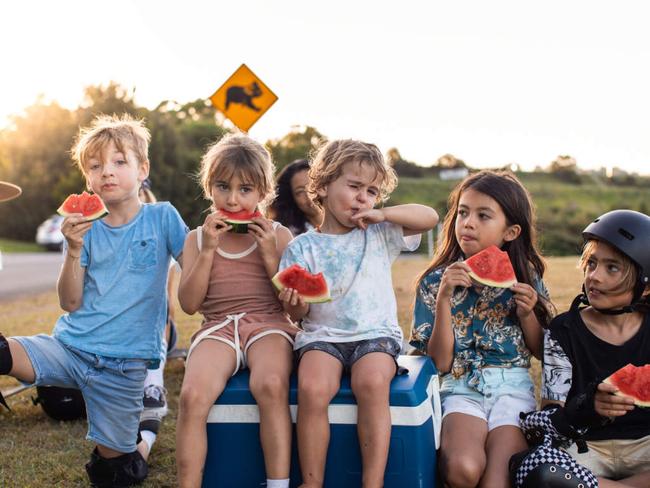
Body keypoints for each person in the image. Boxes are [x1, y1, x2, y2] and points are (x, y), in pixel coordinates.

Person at [0, 114, 188, 487]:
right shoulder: (83, 228)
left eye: (120, 162)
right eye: (96, 165)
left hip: (124, 368)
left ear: (142, 169)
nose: (107, 172)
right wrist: (74, 248)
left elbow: (197, 281)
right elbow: (69, 302)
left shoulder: (162, 217)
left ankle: (145, 432)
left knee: (116, 475)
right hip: (70, 349)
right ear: (87, 177)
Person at [278, 139, 438, 487]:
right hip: (322, 337)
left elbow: (430, 217)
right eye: (354, 187)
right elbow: (298, 313)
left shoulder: (381, 233)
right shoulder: (303, 246)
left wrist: (384, 213)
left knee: (371, 383)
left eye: (372, 191)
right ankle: (311, 480)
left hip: (375, 335)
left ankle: (373, 481)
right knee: (312, 387)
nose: (363, 197)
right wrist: (294, 303)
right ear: (321, 187)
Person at [409, 170, 553, 488]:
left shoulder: (526, 277)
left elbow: (543, 352)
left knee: (498, 481)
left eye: (483, 215)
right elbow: (440, 364)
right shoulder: (434, 282)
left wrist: (528, 314)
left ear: (511, 231)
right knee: (463, 469)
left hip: (512, 391)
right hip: (459, 388)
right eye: (463, 212)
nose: (468, 222)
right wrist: (445, 299)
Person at [176, 134, 299, 488]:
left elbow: (287, 304)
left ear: (263, 193)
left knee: (271, 384)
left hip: (269, 323)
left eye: (245, 189)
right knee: (192, 396)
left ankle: (277, 484)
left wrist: (268, 254)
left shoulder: (279, 235)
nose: (232, 199)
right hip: (217, 326)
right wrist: (208, 250)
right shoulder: (197, 239)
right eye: (222, 187)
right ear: (209, 187)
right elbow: (189, 304)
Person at [540, 209, 650, 487]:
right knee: (539, 470)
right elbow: (550, 415)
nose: (594, 276)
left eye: (612, 267)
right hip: (586, 447)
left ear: (645, 286)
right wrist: (588, 406)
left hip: (646, 444)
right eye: (591, 263)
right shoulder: (563, 330)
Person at [135, 178, 180, 458]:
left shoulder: (163, 235)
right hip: (120, 330)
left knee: (157, 309)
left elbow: (171, 306)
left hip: (160, 326)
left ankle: (154, 384)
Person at [268, 158, 323, 236]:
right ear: (292, 198)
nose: (310, 195)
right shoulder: (289, 236)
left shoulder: (345, 223)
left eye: (313, 185)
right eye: (300, 191)